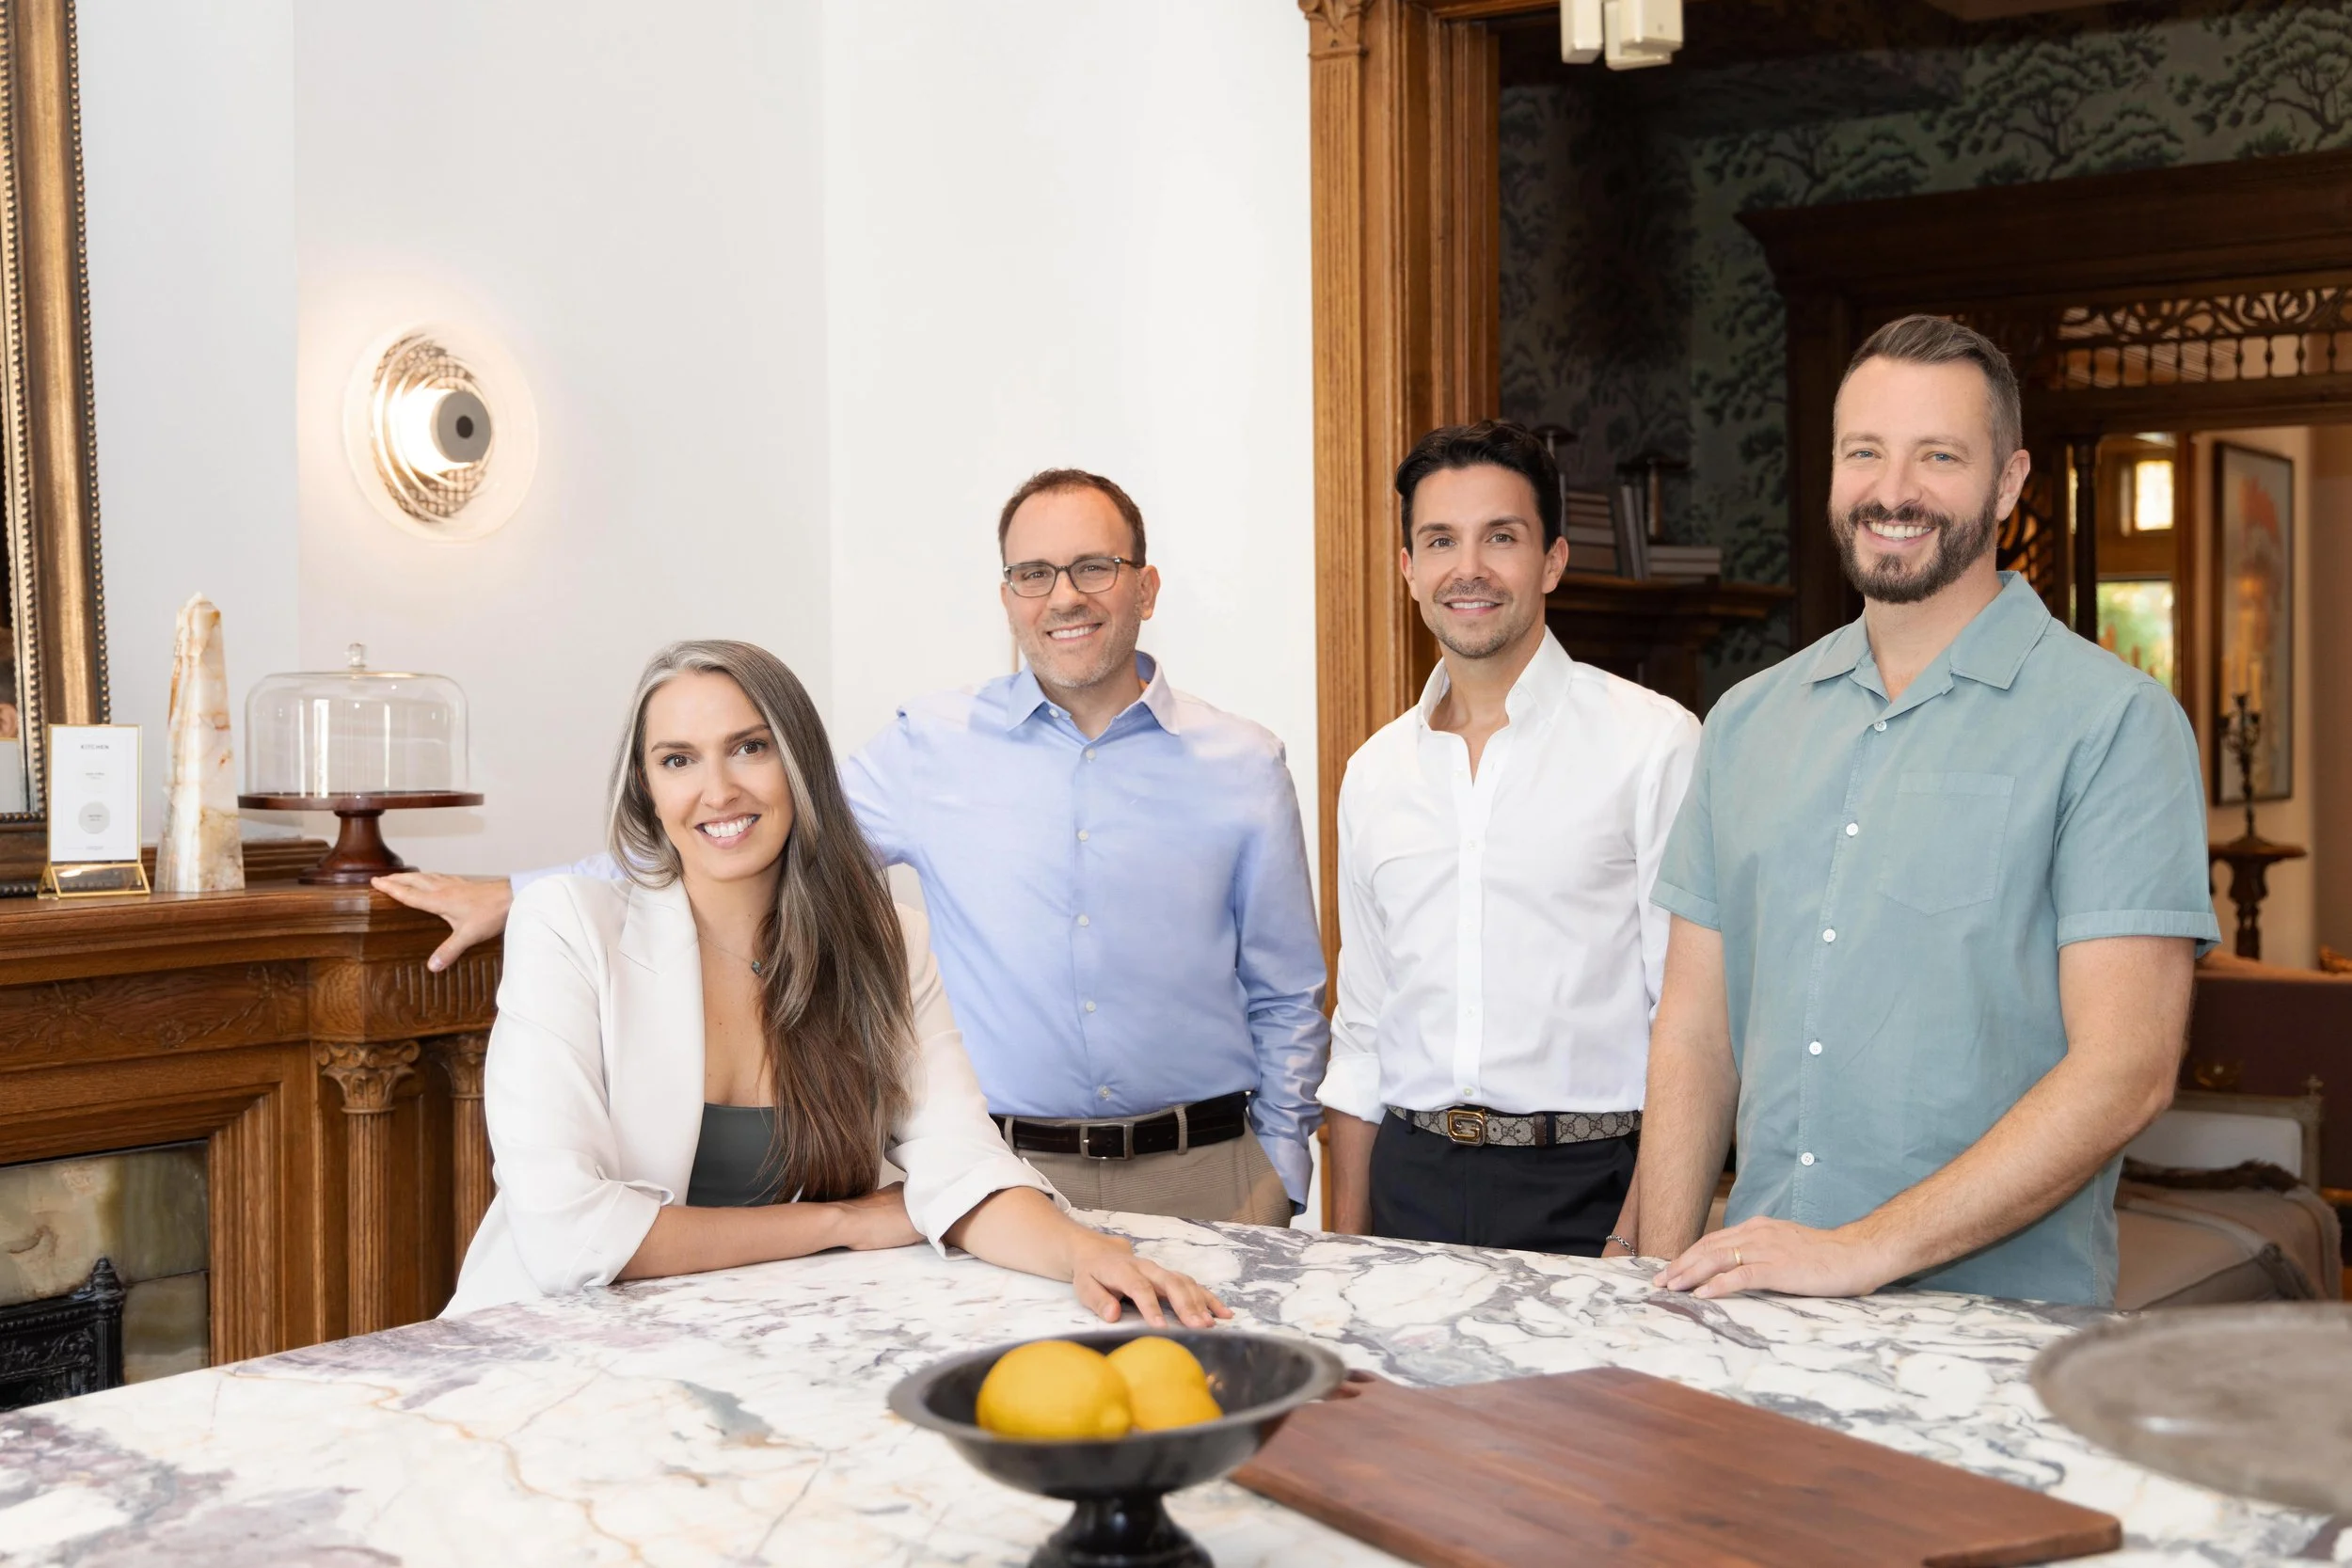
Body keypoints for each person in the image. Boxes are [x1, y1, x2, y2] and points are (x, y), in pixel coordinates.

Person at [386, 469, 1327, 1228]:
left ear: (1145, 586)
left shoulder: (1243, 763)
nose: (1063, 596)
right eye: (1032, 573)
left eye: (1094, 566)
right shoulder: (931, 746)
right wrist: (519, 891)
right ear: (1006, 597)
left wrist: (1280, 1172)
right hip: (996, 1175)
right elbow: (740, 826)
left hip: (1212, 1179)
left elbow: (1287, 992)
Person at [1636, 315, 2218, 1307]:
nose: (1891, 490)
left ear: (2006, 480)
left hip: (1997, 1332)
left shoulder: (2115, 725)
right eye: (1864, 452)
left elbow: (2127, 1068)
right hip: (1752, 1310)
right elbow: (1696, 1031)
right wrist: (1659, 1273)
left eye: (1937, 456)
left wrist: (1859, 1249)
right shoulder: (1744, 721)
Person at [445, 639, 1226, 1324]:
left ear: (800, 765)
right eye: (678, 759)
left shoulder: (886, 943)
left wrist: (1081, 1253)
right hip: (550, 1344)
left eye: (749, 748)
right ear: (647, 791)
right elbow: (567, 1232)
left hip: (771, 1336)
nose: (718, 791)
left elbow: (961, 1162)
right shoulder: (566, 926)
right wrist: (842, 1222)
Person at [1318, 420, 1699, 1257]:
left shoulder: (1654, 742)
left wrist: (1644, 1229)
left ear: (1552, 560)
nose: (1470, 569)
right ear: (1409, 567)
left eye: (1502, 537)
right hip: (1408, 1183)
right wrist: (1343, 1255)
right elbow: (1364, 1029)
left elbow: (1691, 1020)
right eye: (1441, 540)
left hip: (1589, 1186)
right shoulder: (1375, 772)